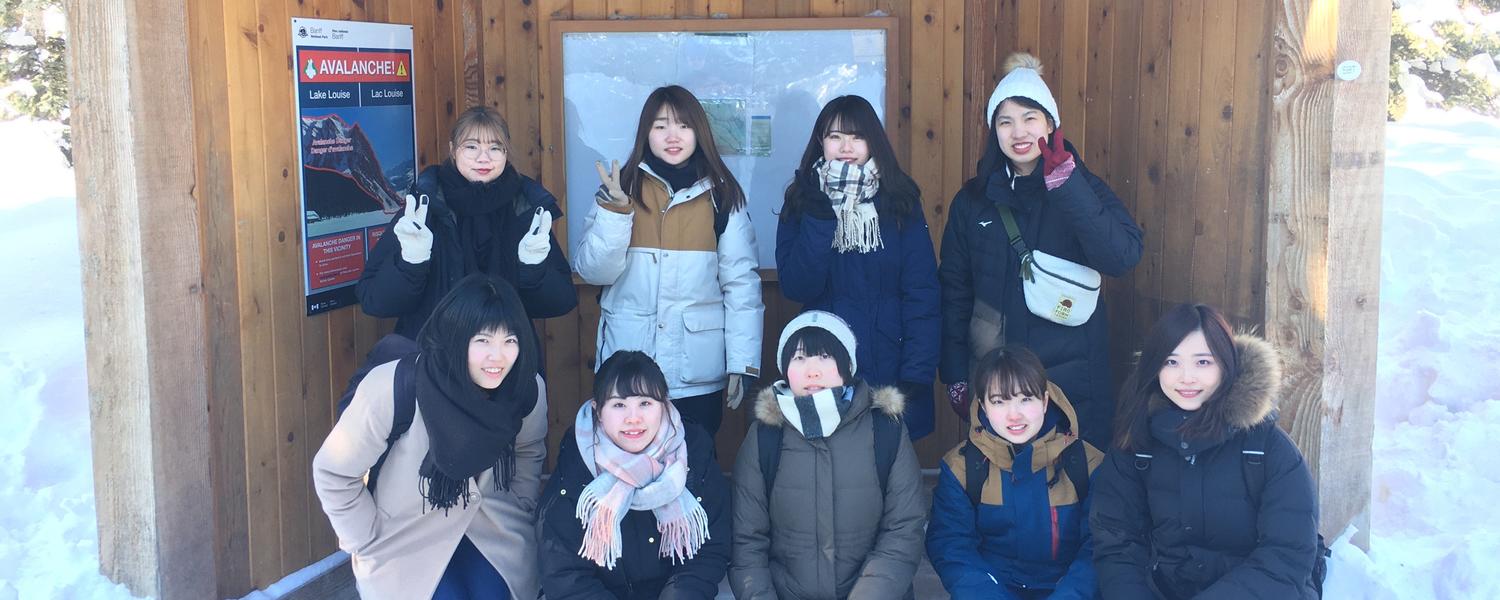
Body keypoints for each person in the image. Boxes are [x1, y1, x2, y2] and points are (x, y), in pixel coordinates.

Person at [939, 52, 1142, 449]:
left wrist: (1066, 184)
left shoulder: (1081, 187)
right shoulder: (972, 201)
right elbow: (954, 290)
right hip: (998, 380)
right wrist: (955, 374)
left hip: (1074, 377)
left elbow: (1122, 256)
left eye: (1030, 118)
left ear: (1050, 124)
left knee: (1072, 491)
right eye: (1006, 121)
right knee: (1000, 487)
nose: (1019, 132)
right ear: (993, 131)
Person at [313, 274, 549, 600]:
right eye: (482, 341)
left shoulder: (525, 387)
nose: (498, 357)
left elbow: (529, 449)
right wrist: (364, 538)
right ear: (455, 337)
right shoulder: (395, 386)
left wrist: (521, 506)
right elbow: (333, 471)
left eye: (510, 341)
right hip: (405, 536)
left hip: (491, 529)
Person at [1090, 304, 1321, 599]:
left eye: (1203, 362)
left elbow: (1287, 554)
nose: (1187, 377)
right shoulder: (1136, 442)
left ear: (1227, 365)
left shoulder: (1268, 449)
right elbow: (1117, 541)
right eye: (1171, 362)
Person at [575, 85, 764, 437]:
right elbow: (593, 271)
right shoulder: (622, 188)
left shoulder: (723, 195)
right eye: (661, 125)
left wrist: (743, 362)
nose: (672, 136)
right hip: (627, 367)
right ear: (646, 132)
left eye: (683, 125)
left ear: (700, 132)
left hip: (696, 374)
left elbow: (742, 285)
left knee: (692, 473)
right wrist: (616, 213)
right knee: (626, 473)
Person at [775, 94, 941, 440]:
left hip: (890, 365)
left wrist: (917, 372)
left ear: (873, 141)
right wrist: (820, 221)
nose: (846, 146)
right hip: (824, 367)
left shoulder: (899, 201)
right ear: (821, 142)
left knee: (889, 476)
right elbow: (796, 286)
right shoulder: (802, 200)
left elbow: (922, 292)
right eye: (835, 136)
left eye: (857, 136)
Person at [730, 310, 926, 600]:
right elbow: (747, 541)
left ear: (847, 365)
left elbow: (903, 529)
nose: (812, 370)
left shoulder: (885, 429)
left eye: (824, 356)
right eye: (799, 358)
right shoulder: (765, 435)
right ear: (785, 369)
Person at [357, 105, 576, 341]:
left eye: (495, 148)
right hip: (434, 363)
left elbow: (561, 302)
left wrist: (534, 269)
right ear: (453, 150)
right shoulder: (424, 207)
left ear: (506, 153)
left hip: (503, 362)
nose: (484, 158)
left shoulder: (525, 208)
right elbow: (374, 301)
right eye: (471, 146)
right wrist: (410, 263)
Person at [538, 350, 732, 599]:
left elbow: (709, 551)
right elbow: (563, 570)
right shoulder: (578, 463)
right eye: (619, 405)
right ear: (598, 410)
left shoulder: (693, 452)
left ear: (664, 405)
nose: (633, 418)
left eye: (645, 403)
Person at [926, 345, 1103, 599]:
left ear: (1044, 401)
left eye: (1026, 399)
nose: (1014, 414)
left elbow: (1098, 546)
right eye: (999, 401)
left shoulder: (1088, 463)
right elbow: (952, 545)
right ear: (984, 407)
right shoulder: (962, 468)